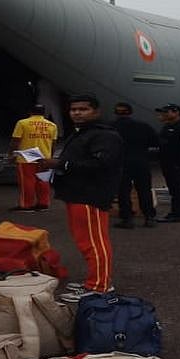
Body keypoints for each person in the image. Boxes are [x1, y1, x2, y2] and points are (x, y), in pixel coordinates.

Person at [37, 94, 123, 300]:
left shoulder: (105, 136)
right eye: (73, 109)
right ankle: (94, 281)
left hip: (90, 195)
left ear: (96, 111)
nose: (77, 113)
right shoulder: (82, 134)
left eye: (83, 109)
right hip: (76, 194)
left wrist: (60, 164)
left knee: (95, 242)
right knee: (84, 241)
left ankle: (100, 286)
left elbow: (101, 165)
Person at [112, 102, 158, 229]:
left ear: (115, 113)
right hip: (141, 161)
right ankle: (149, 217)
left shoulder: (111, 127)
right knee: (144, 190)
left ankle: (127, 219)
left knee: (123, 192)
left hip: (121, 163)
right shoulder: (143, 126)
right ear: (130, 112)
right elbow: (155, 142)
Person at [7, 104, 58, 212]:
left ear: (30, 112)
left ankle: (26, 205)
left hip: (27, 157)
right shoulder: (52, 125)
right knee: (43, 181)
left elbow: (16, 140)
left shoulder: (22, 123)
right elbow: (54, 143)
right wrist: (50, 157)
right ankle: (43, 204)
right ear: (44, 113)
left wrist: (11, 154)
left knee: (27, 182)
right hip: (44, 157)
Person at [156, 103, 180, 222]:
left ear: (176, 112)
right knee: (176, 188)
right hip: (167, 162)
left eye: (166, 112)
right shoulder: (166, 127)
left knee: (177, 188)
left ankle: (176, 214)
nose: (163, 115)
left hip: (175, 164)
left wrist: (179, 164)